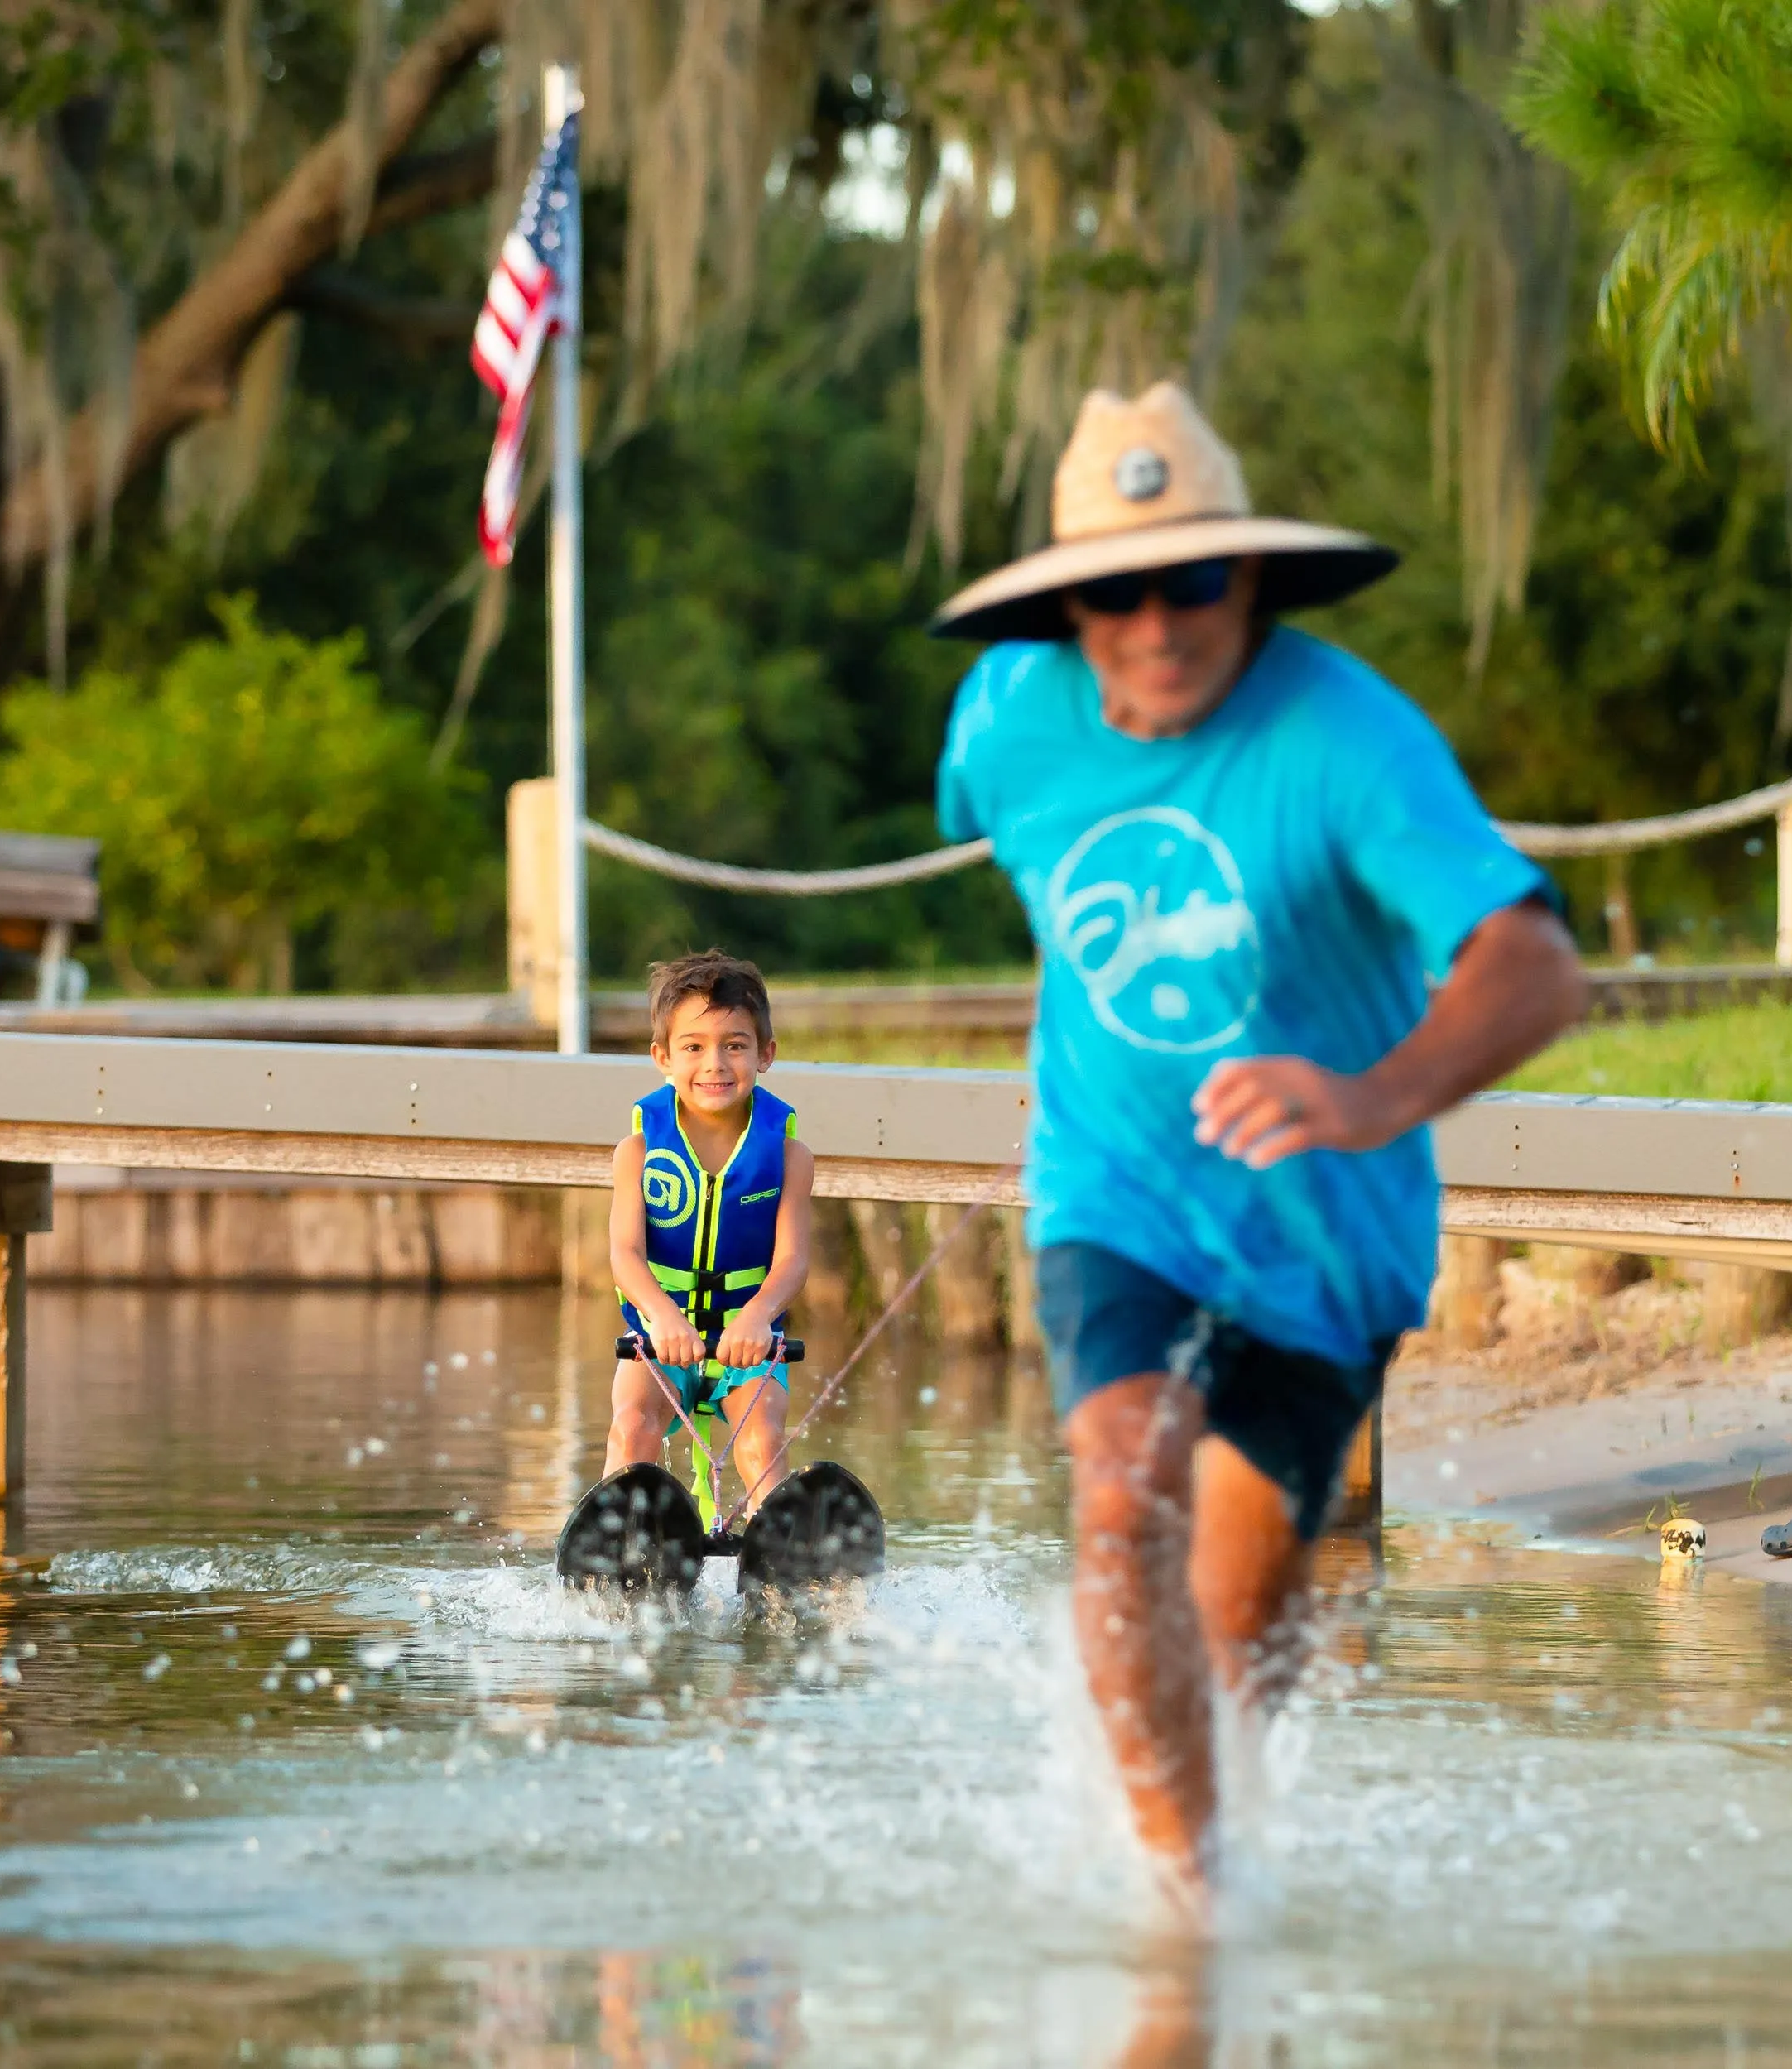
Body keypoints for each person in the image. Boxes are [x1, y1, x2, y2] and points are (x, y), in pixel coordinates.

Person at [932, 382, 1588, 1907]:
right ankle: (1188, 1934)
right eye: (1117, 589)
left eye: (1192, 581)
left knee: (1235, 1644)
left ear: (1251, 578)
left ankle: (1211, 1855)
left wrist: (1368, 1096)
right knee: (1119, 1493)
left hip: (1325, 1243)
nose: (1158, 623)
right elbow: (1048, 881)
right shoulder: (1004, 722)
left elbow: (1536, 963)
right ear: (1067, 610)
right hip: (1118, 1195)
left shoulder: (1351, 741)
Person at [605, 951, 815, 1526]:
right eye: (693, 1047)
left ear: (765, 1053)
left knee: (761, 1441)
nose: (714, 1064)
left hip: (747, 1337)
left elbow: (792, 1257)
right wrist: (661, 1317)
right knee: (632, 1429)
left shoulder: (790, 1156)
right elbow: (624, 1253)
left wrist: (757, 1316)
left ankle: (781, 1550)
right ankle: (612, 1539)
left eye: (735, 1045)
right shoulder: (639, 1152)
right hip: (657, 1333)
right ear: (662, 1058)